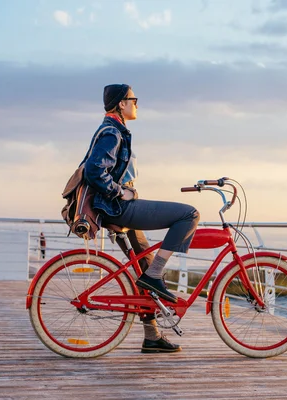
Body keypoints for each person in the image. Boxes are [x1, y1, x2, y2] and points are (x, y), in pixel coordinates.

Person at [82, 84, 200, 353]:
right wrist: (120, 192)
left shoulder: (114, 129)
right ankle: (156, 275)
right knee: (188, 214)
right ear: (121, 104)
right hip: (119, 208)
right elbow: (94, 170)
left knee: (144, 269)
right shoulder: (112, 131)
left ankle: (152, 336)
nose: (137, 104)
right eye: (134, 100)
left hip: (117, 208)